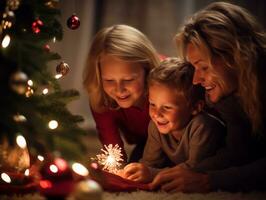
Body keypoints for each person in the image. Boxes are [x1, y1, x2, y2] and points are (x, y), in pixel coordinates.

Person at [151, 2, 266, 192]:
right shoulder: (227, 95)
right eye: (194, 68)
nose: (196, 80)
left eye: (203, 67)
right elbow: (239, 153)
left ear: (236, 56)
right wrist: (180, 172)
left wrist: (210, 181)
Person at [122, 58, 225, 183]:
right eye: (152, 104)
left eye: (167, 107)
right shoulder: (156, 126)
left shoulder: (202, 127)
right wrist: (138, 171)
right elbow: (150, 163)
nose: (157, 114)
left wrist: (153, 174)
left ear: (195, 107)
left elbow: (195, 170)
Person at [83, 24, 160, 162]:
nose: (119, 90)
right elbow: (114, 152)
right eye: (109, 80)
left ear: (147, 70)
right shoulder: (101, 98)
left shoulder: (168, 82)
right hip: (145, 145)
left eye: (129, 79)